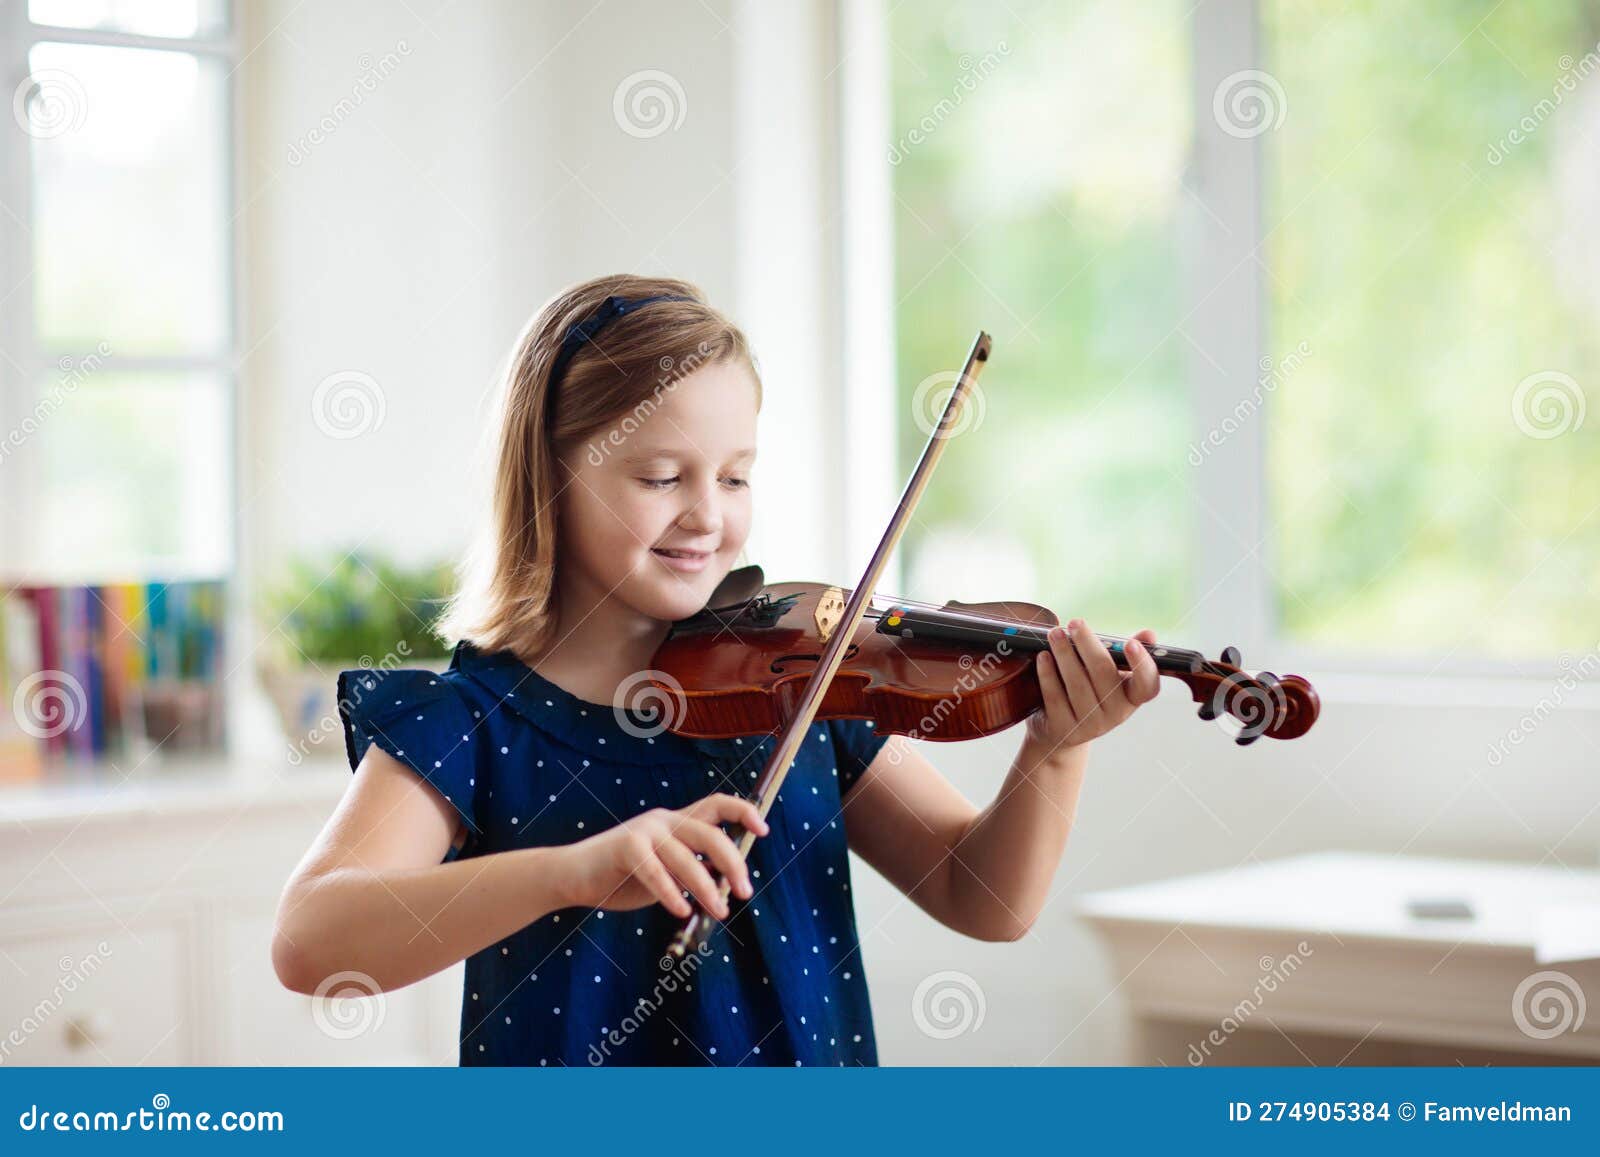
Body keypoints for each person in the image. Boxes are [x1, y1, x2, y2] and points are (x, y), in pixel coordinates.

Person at [270, 274, 1161, 1066]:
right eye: (662, 477)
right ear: (548, 476)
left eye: (736, 478)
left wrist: (1056, 744)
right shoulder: (473, 717)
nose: (709, 516)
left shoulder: (798, 683)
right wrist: (572, 870)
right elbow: (311, 941)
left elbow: (983, 896)